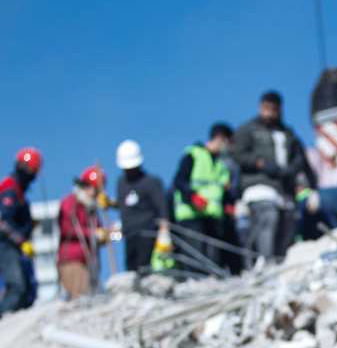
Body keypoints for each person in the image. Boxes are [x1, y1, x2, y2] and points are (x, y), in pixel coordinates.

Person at [233, 91, 318, 264]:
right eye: (266, 107)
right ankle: (264, 262)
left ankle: (278, 263)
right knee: (267, 217)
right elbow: (238, 155)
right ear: (260, 107)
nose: (270, 112)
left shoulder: (288, 134)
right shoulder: (248, 130)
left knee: (288, 223)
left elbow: (301, 161)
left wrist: (306, 183)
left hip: (283, 188)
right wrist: (260, 163)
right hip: (258, 185)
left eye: (274, 108)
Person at [0, 147, 40, 318]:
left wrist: (28, 226)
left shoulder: (18, 191)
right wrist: (21, 240)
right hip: (3, 244)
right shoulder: (10, 189)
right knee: (17, 286)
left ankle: (14, 320)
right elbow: (2, 222)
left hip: (10, 244)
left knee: (28, 289)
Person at [172, 123, 233, 274]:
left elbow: (221, 191)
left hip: (212, 218)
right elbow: (179, 180)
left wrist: (228, 205)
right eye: (227, 142)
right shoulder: (194, 154)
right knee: (195, 257)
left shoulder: (221, 165)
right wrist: (192, 197)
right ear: (220, 139)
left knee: (213, 259)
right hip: (191, 215)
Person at [115, 140, 168, 274]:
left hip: (148, 232)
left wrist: (164, 230)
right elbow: (124, 205)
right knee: (131, 268)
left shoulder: (151, 182)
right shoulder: (121, 183)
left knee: (145, 267)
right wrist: (111, 204)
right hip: (129, 233)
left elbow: (162, 207)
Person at [57, 165, 109, 299]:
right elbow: (68, 228)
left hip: (89, 263)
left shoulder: (91, 209)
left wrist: (105, 234)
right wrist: (94, 233)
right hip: (73, 262)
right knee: (80, 299)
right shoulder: (71, 202)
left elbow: (98, 231)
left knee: (92, 296)